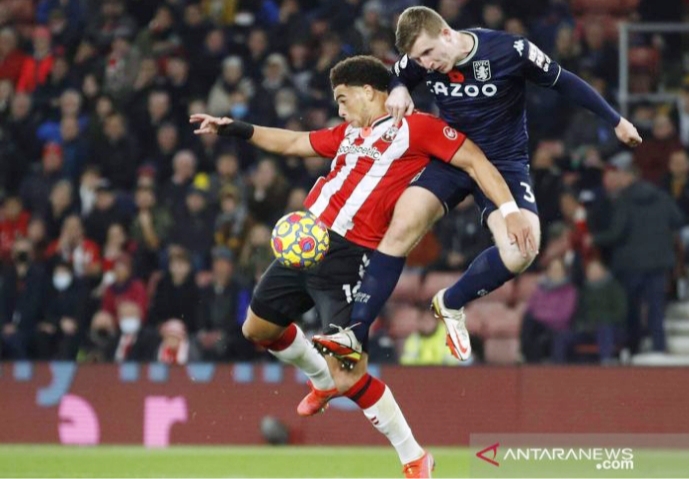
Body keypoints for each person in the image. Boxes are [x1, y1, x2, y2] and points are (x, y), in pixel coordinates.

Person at [191, 55, 531, 479]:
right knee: (257, 330)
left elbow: (476, 161)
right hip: (307, 240)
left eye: (342, 98)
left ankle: (414, 457)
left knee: (351, 376)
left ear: (369, 92)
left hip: (349, 257)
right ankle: (320, 379)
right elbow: (294, 143)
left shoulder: (417, 128)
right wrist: (234, 128)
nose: (339, 109)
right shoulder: (348, 134)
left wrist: (510, 211)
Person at [316, 6, 642, 366]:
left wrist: (616, 120)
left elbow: (564, 81)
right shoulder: (420, 60)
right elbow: (396, 74)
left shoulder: (509, 50)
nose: (426, 64)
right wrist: (398, 88)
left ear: (446, 34)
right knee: (401, 227)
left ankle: (451, 301)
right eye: (418, 59)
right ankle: (355, 332)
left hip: (503, 164)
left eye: (428, 54)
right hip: (452, 157)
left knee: (522, 251)